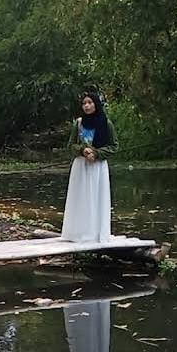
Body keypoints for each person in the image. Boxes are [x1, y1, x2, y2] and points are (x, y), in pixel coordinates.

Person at [61, 92, 118, 242]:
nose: (86, 106)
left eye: (90, 103)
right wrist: (82, 150)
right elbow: (70, 145)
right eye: (84, 103)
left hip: (98, 167)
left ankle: (96, 234)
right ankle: (78, 233)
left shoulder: (106, 124)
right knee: (80, 198)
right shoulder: (78, 124)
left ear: (96, 104)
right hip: (81, 166)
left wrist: (97, 153)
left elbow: (113, 146)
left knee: (96, 198)